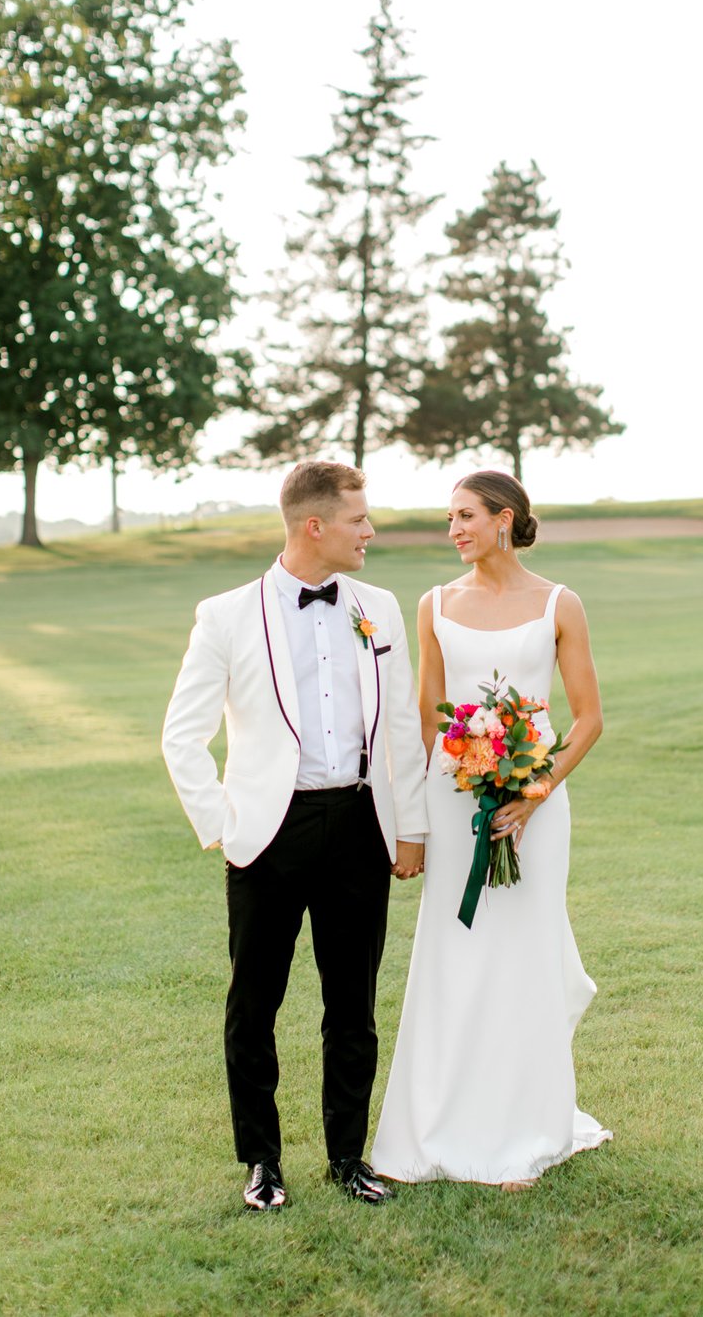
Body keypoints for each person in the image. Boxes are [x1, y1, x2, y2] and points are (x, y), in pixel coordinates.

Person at [162, 461, 427, 1210]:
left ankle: (349, 1156)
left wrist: (410, 827)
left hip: (358, 828)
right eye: (359, 520)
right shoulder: (225, 615)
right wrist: (223, 826)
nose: (370, 531)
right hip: (266, 836)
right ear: (316, 526)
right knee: (255, 1003)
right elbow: (181, 737)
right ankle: (263, 1163)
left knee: (354, 1004)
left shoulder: (378, 605)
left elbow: (400, 727)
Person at [371, 470, 612, 1187]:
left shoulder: (559, 604)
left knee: (522, 952)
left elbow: (588, 719)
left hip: (534, 808)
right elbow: (425, 716)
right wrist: (419, 815)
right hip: (455, 797)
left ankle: (528, 1130)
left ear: (504, 520)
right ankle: (438, 1123)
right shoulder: (435, 604)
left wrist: (534, 792)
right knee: (456, 954)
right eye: (449, 518)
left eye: (466, 516)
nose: (454, 530)